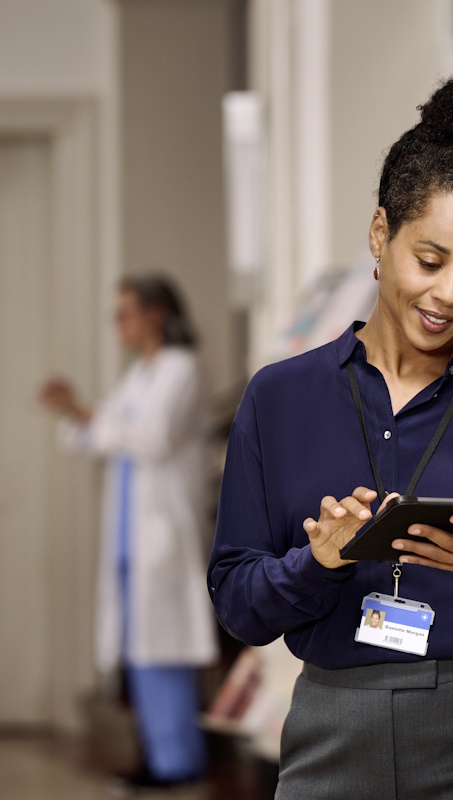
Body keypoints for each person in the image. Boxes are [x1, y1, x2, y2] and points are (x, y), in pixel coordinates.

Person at [208, 75, 453, 799]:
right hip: (329, 734)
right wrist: (313, 565)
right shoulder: (279, 399)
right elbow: (237, 601)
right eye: (431, 261)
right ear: (381, 234)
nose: (450, 294)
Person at [39, 274, 219, 790]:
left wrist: (86, 413)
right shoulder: (141, 374)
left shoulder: (181, 370)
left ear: (156, 311)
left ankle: (178, 760)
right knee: (140, 650)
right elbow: (83, 437)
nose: (118, 323)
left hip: (162, 533)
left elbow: (153, 438)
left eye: (125, 312)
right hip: (130, 538)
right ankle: (156, 753)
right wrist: (81, 414)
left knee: (164, 650)